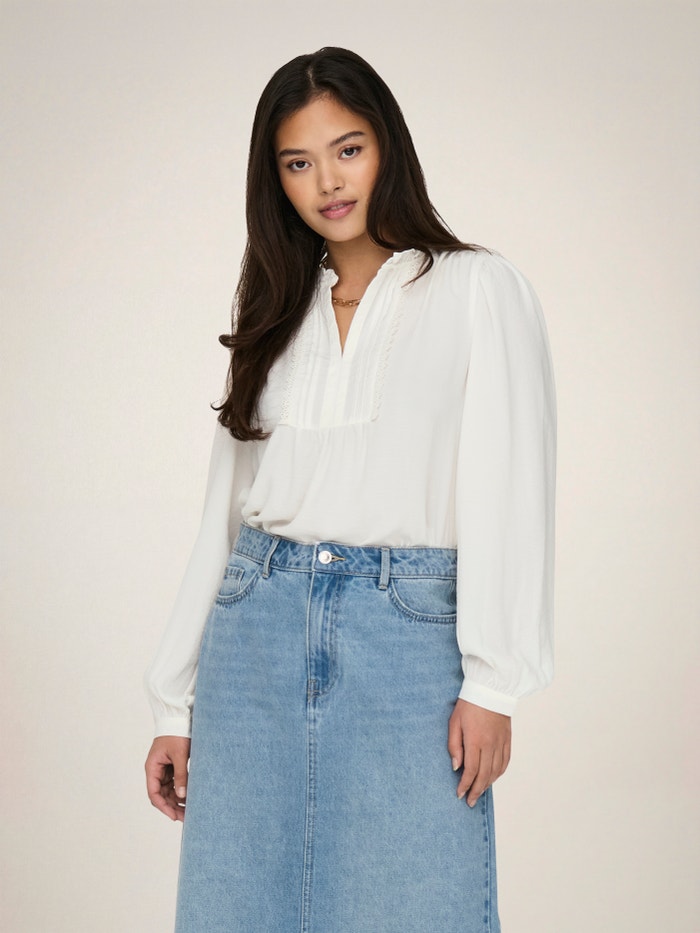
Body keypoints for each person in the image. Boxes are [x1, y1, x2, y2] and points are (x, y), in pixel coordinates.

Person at [144, 46, 556, 933]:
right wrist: (174, 699)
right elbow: (224, 517)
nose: (327, 181)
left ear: (387, 147)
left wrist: (494, 681)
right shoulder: (275, 310)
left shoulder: (477, 289)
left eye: (348, 149)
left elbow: (512, 486)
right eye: (297, 162)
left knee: (417, 902)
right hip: (254, 638)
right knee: (237, 909)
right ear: (275, 181)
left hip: (406, 640)